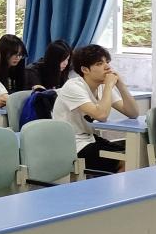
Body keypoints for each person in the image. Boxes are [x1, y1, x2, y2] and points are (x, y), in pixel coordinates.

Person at [52, 44, 139, 173]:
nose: (107, 67)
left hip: (90, 139)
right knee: (125, 162)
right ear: (85, 69)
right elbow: (101, 115)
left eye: (107, 62)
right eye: (99, 64)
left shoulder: (102, 86)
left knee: (135, 155)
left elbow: (133, 113)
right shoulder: (73, 87)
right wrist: (109, 85)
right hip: (72, 144)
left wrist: (121, 85)